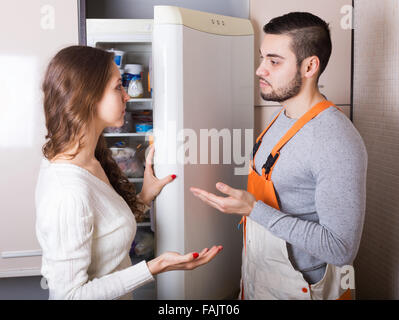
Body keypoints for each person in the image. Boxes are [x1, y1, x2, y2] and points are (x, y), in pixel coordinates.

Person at [190, 12, 368, 300]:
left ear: (310, 66)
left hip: (301, 288)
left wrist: (253, 209)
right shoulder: (284, 115)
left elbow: (341, 248)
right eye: (262, 58)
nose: (260, 70)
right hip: (261, 276)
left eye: (274, 61)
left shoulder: (335, 139)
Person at [35, 45, 222, 300]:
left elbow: (106, 231)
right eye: (117, 87)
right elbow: (70, 296)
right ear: (86, 96)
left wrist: (145, 196)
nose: (127, 96)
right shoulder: (68, 191)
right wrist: (155, 267)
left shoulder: (90, 160)